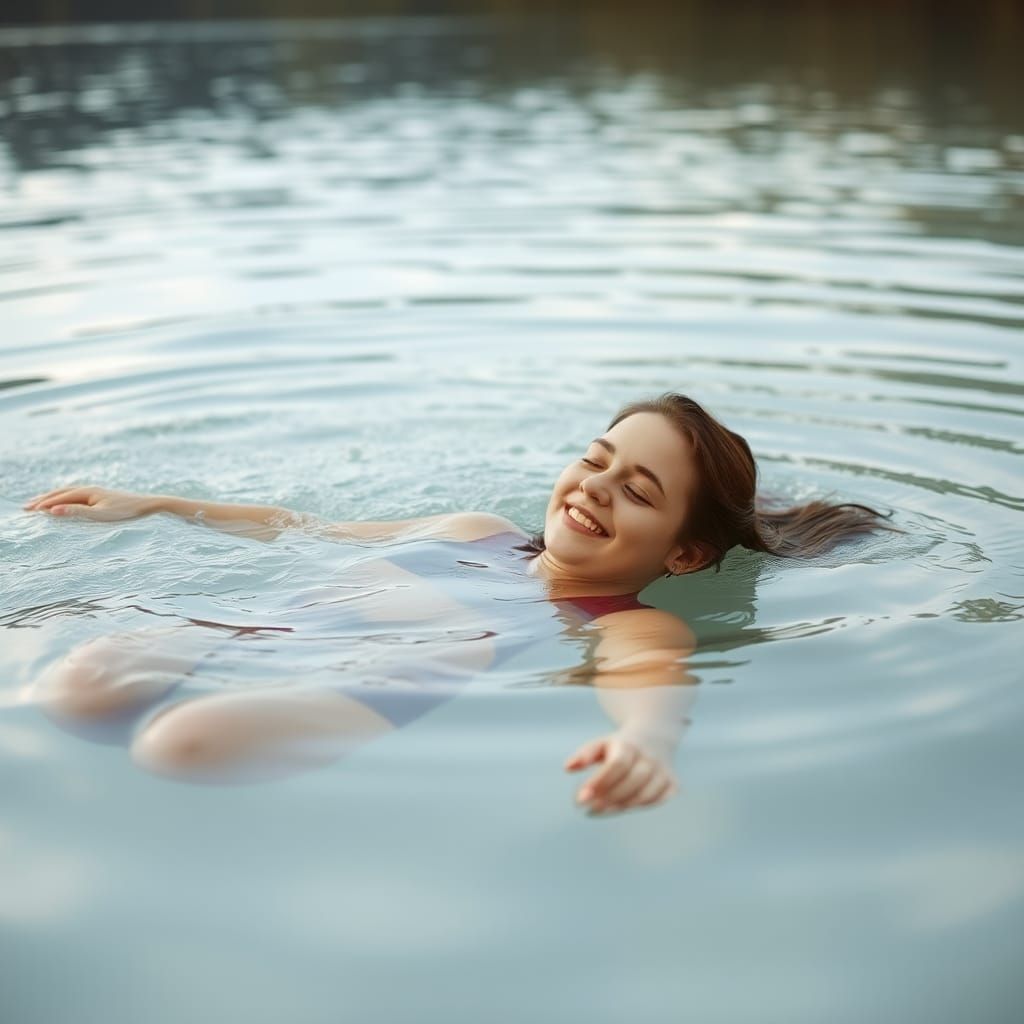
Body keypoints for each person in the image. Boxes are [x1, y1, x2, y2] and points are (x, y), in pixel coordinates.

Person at [22, 392, 895, 813]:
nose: (594, 489)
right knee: (75, 685)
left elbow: (650, 678)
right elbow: (305, 527)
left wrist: (644, 742)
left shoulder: (626, 620)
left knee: (178, 745)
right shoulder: (471, 527)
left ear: (687, 552)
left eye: (637, 490)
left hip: (348, 694)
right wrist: (157, 505)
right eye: (595, 460)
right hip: (246, 631)